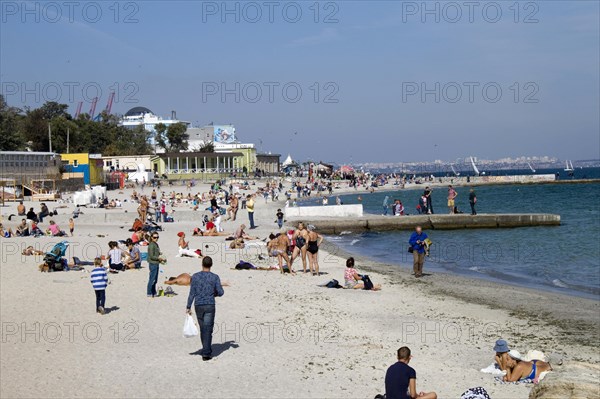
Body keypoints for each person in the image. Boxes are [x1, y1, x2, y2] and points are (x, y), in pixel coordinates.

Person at [186, 256, 224, 361]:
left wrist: (188, 306)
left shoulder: (195, 276)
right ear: (211, 265)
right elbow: (221, 292)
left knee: (203, 329)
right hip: (210, 305)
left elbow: (192, 293)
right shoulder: (215, 277)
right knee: (208, 329)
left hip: (198, 305)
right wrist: (213, 294)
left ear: (202, 264)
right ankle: (206, 352)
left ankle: (206, 349)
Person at [147, 232, 161, 297]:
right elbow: (151, 256)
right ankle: (149, 292)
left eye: (157, 237)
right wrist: (159, 258)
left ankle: (153, 292)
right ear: (152, 237)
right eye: (155, 237)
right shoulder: (151, 245)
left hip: (156, 263)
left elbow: (155, 253)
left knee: (155, 279)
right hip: (153, 263)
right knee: (152, 279)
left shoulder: (156, 244)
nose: (156, 239)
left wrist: (160, 254)